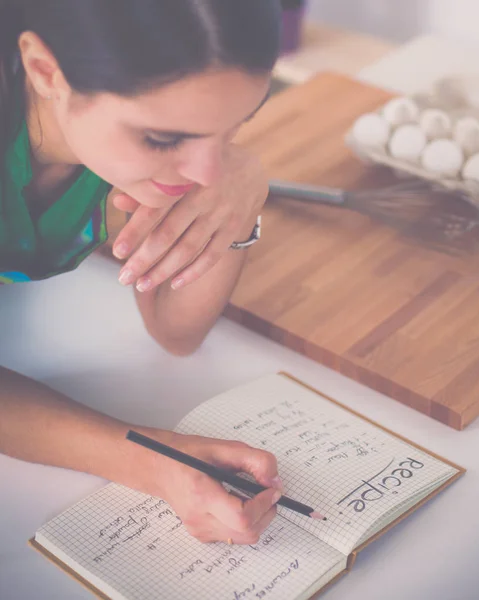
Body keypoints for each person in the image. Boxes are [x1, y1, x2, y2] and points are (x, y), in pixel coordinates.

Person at [0, 0, 284, 545]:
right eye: (161, 138)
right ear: (44, 70)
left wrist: (245, 188)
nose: (208, 172)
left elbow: (176, 331)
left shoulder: (141, 148)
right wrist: (152, 465)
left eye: (236, 125)